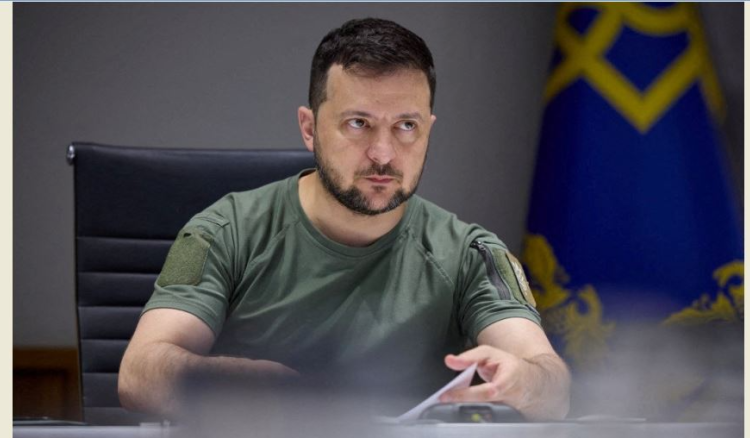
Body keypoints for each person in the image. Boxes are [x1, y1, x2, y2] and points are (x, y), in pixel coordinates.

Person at [118, 17, 570, 421]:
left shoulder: (472, 253)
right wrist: (244, 384)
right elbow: (138, 375)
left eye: (406, 126)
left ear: (428, 129)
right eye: (358, 123)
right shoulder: (220, 231)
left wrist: (525, 382)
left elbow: (554, 388)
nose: (383, 153)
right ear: (309, 127)